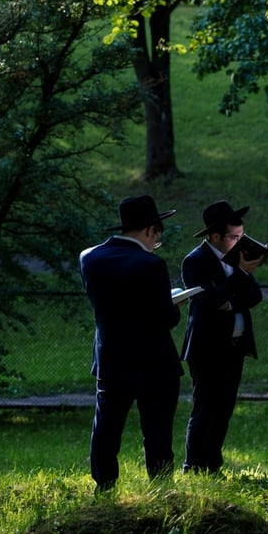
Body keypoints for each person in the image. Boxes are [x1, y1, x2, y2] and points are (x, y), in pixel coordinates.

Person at [79, 195, 184, 493]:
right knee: (157, 432)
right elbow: (165, 317)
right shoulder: (150, 264)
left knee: (106, 429)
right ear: (151, 230)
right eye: (157, 238)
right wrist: (175, 305)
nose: (156, 244)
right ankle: (161, 488)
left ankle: (104, 486)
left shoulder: (89, 258)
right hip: (153, 362)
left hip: (111, 358)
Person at [179, 200, 265, 474]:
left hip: (234, 346)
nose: (240, 243)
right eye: (235, 238)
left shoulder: (235, 261)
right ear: (215, 236)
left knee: (224, 408)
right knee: (205, 407)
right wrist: (238, 277)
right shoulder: (196, 261)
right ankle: (194, 464)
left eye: (242, 237)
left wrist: (231, 298)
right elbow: (208, 299)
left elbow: (255, 296)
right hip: (208, 347)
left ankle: (212, 464)